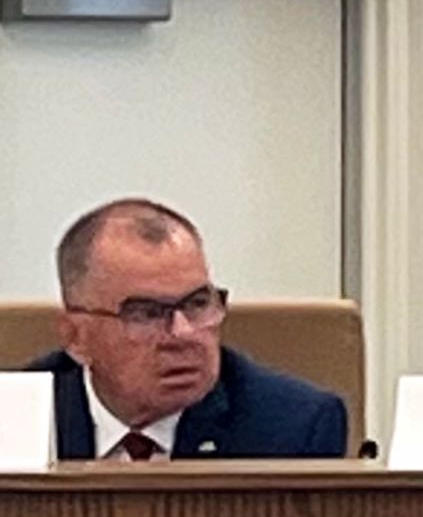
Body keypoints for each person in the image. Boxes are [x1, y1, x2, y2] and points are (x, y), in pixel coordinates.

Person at [35, 198, 350, 462]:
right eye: (145, 313)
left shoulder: (292, 427)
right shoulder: (11, 422)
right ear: (76, 337)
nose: (183, 334)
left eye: (198, 303)